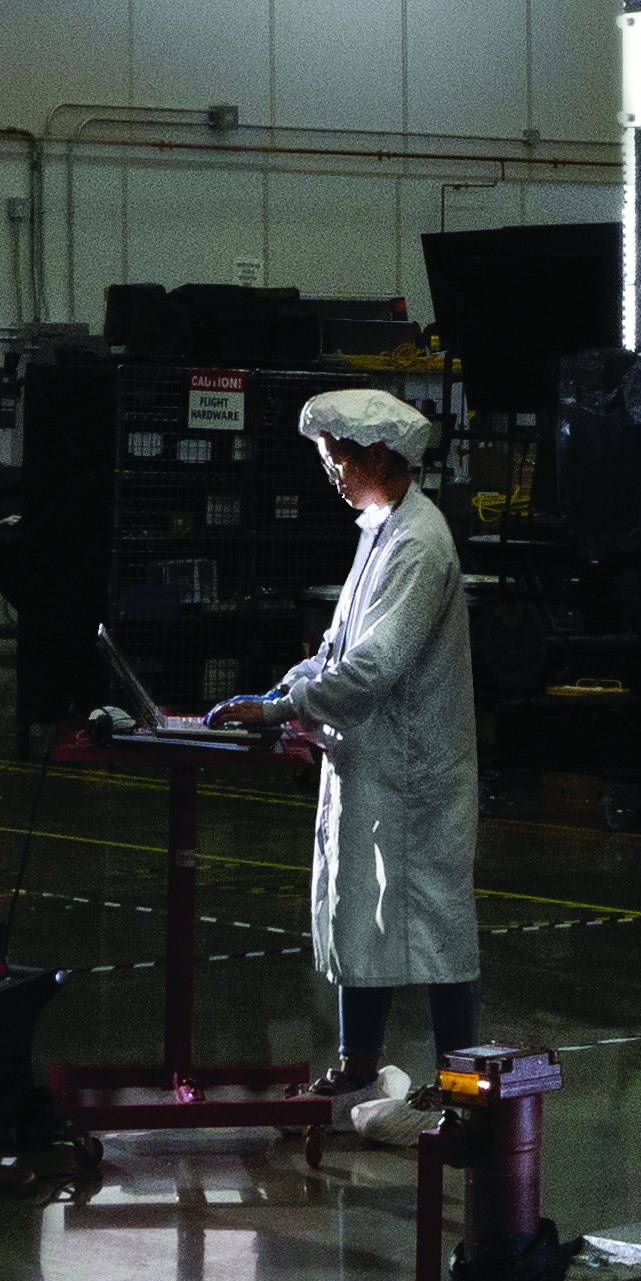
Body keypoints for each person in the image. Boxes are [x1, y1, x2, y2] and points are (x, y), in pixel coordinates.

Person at [206, 385, 479, 1143]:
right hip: (373, 763)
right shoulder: (379, 530)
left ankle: (465, 1087)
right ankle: (361, 1063)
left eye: (336, 458)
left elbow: (376, 668)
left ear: (378, 455)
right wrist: (281, 692)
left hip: (416, 773)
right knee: (365, 911)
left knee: (436, 925)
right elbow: (339, 651)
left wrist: (279, 711)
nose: (330, 472)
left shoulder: (419, 545)